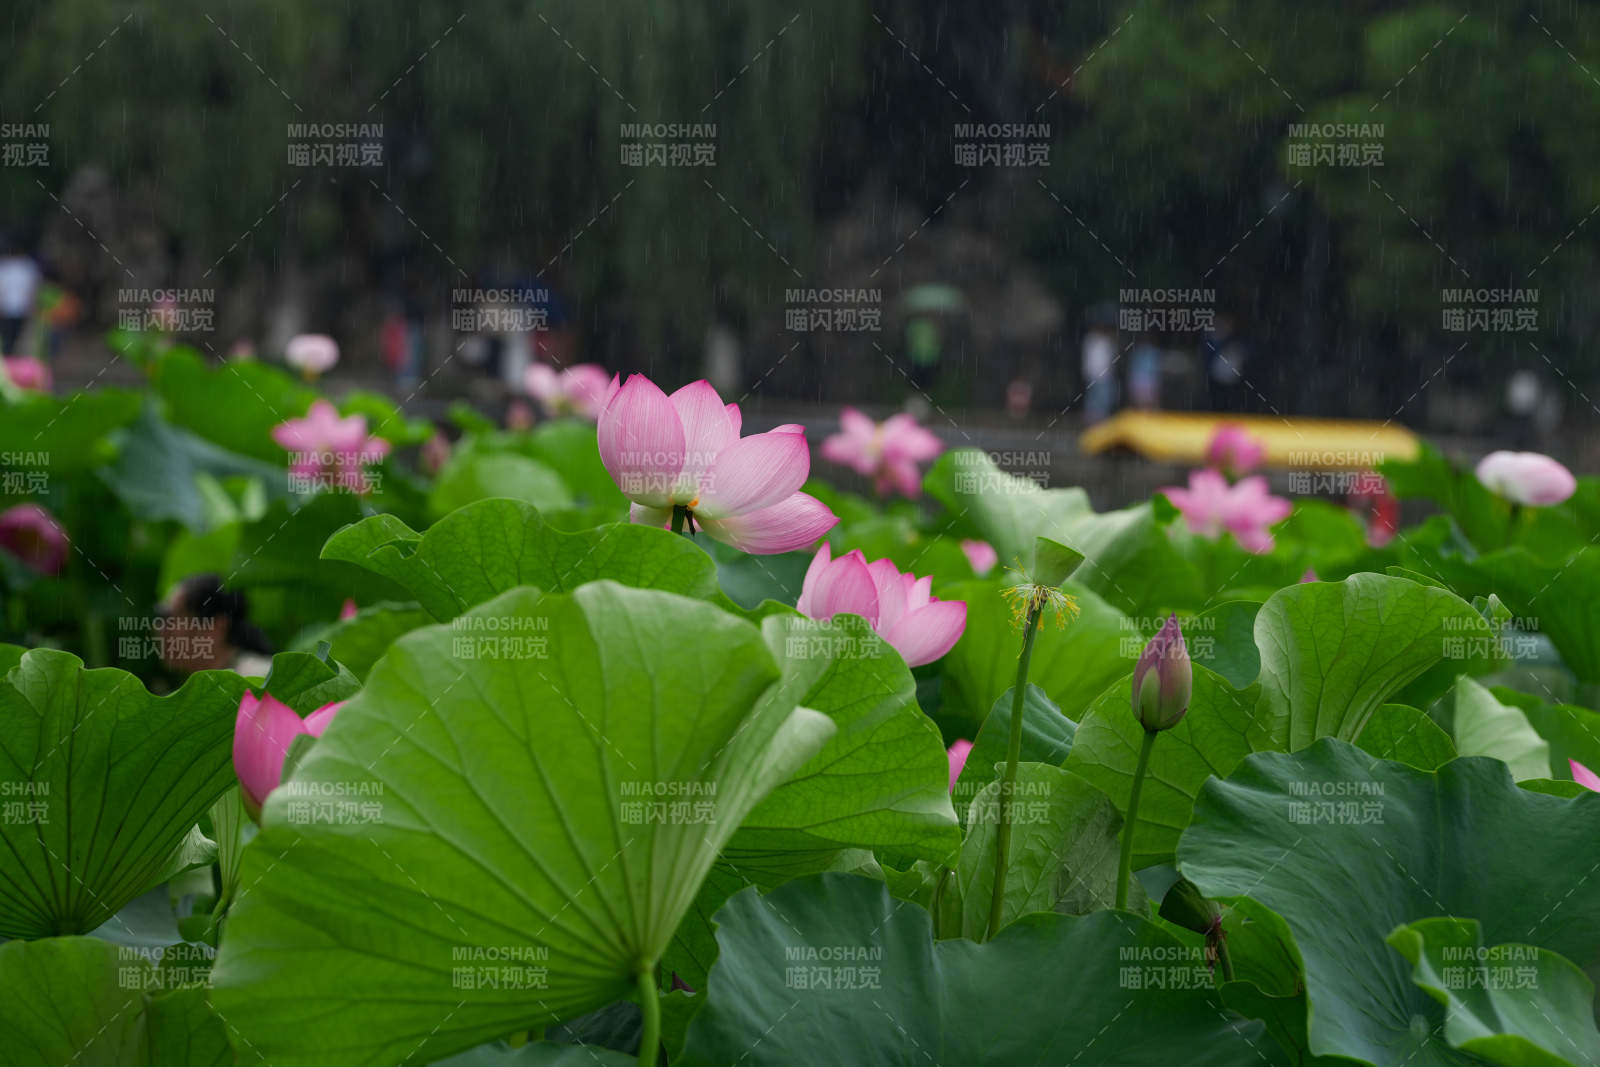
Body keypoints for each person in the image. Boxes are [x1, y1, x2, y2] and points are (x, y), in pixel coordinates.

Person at [156, 574, 274, 677]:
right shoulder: (199, 690)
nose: (160, 627)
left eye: (170, 618)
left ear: (217, 627)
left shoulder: (260, 677)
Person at [0, 246, 42, 355]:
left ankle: (11, 360)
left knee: (14, 338)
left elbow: (33, 288)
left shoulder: (26, 266)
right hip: (11, 309)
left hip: (18, 308)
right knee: (9, 337)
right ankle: (8, 358)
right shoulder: (26, 266)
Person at [1081, 322, 1118, 423]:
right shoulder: (1091, 340)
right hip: (1093, 374)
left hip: (1104, 376)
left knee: (1103, 399)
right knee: (1094, 399)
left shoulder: (1106, 342)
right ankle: (1092, 420)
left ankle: (1100, 420)